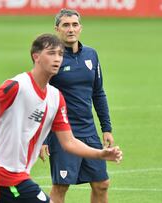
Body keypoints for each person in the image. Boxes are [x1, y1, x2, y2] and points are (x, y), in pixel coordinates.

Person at [0, 33, 122, 203]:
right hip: (3, 176)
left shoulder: (55, 98)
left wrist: (100, 154)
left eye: (60, 54)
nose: (57, 58)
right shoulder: (17, 86)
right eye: (51, 53)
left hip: (18, 176)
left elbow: (69, 142)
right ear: (36, 57)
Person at [39, 9, 114, 203]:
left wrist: (106, 128)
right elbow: (41, 98)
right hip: (62, 132)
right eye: (65, 25)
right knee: (61, 186)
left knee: (101, 183)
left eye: (74, 25)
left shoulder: (91, 55)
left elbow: (98, 92)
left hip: (88, 131)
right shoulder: (51, 58)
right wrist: (43, 138)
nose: (71, 29)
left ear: (80, 28)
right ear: (57, 29)